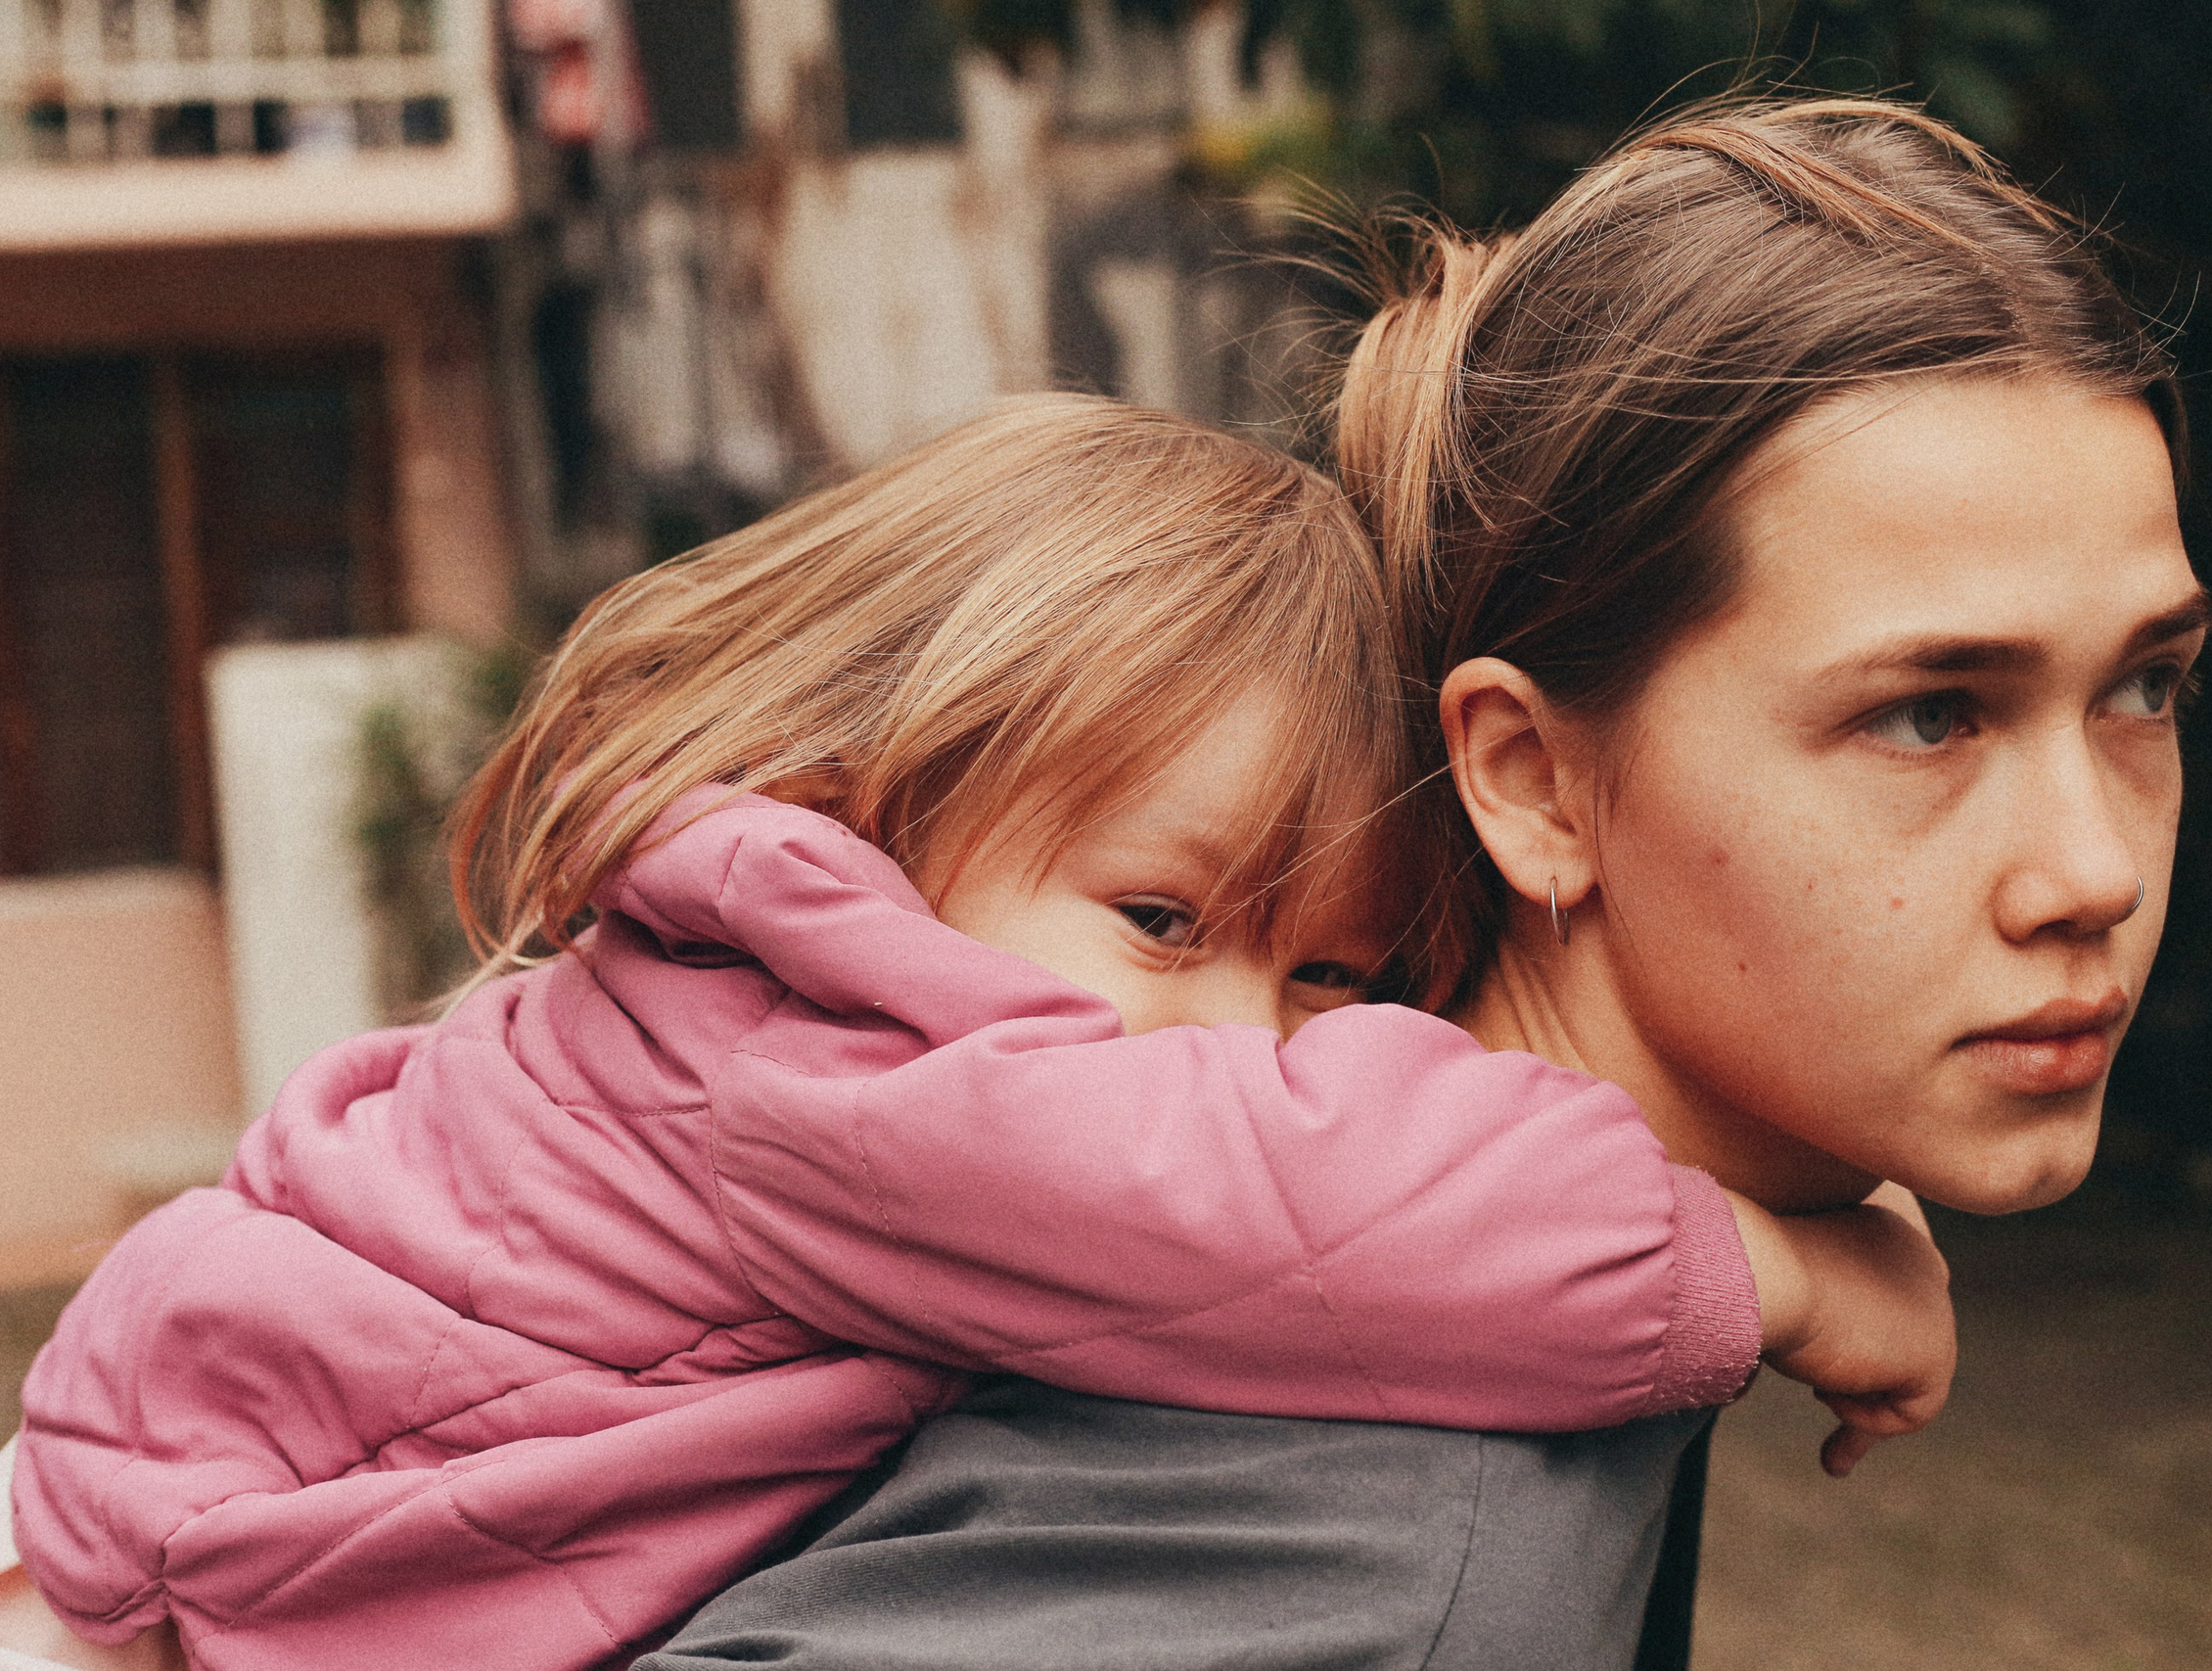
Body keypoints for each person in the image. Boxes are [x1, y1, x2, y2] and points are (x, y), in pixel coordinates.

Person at [3, 395, 1947, 1671]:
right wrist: (1766, 1262)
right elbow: (1288, 1210)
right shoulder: (836, 1064)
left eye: (1327, 979)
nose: (1232, 1031)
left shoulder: (791, 1003)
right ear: (881, 808)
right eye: (1159, 914)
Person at [644, 93, 2205, 1671]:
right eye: (1927, 715)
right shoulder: (1392, 1553)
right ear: (1531, 782)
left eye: (2147, 690)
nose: (2092, 872)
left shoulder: (1507, 1351)